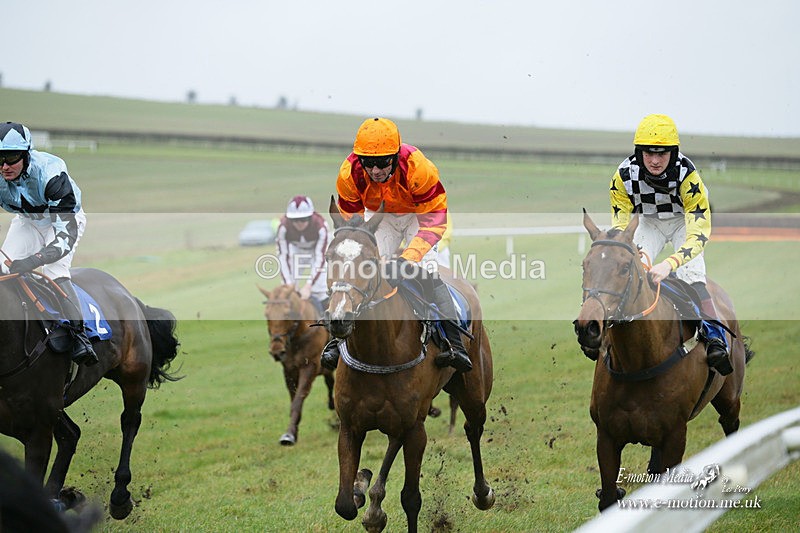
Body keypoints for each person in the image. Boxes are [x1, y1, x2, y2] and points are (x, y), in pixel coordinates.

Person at [321, 117, 471, 373]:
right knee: (361, 271)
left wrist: (406, 260)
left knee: (426, 272)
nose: (375, 170)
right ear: (359, 159)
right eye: (368, 163)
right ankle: (338, 340)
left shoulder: (418, 168)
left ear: (395, 156)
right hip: (381, 216)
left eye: (382, 162)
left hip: (418, 216)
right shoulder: (349, 173)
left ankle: (455, 345)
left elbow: (434, 222)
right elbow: (351, 225)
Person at [609, 114, 732, 375]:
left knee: (691, 275)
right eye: (648, 153)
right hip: (648, 222)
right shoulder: (622, 176)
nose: (654, 161)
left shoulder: (689, 176)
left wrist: (669, 264)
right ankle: (606, 334)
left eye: (662, 154)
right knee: (629, 272)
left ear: (673, 153)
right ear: (639, 152)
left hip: (683, 223)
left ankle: (715, 339)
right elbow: (621, 229)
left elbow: (698, 235)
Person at [0, 122, 98, 366]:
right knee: (2, 267)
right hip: (28, 220)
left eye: (11, 158)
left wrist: (34, 260)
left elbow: (64, 237)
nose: (4, 166)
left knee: (54, 272)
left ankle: (80, 336)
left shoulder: (51, 174)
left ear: (26, 154)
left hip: (63, 222)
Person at [276, 195, 329, 313]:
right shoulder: (283, 227)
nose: (299, 224)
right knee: (287, 288)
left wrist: (308, 286)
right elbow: (283, 257)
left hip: (316, 250)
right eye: (294, 220)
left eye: (303, 219)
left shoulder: (321, 226)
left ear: (310, 217)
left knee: (320, 289)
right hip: (295, 250)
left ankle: (326, 318)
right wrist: (290, 286)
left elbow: (321, 258)